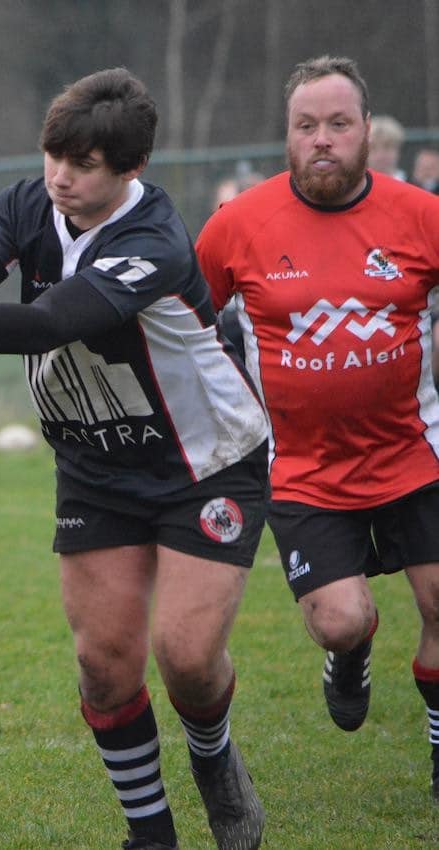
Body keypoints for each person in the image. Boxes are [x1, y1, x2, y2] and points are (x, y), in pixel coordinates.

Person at [0, 68, 270, 850]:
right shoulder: (26, 205)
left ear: (130, 171)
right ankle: (149, 835)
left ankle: (214, 757)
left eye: (83, 165)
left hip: (204, 462)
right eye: (54, 155)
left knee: (186, 658)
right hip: (95, 464)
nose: (61, 176)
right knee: (104, 665)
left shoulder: (152, 240)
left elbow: (50, 321)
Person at [197, 54, 439, 802]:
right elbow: (187, 328)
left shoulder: (423, 216)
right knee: (340, 620)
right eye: (307, 127)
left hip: (418, 453)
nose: (323, 140)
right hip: (303, 470)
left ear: (367, 131)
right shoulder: (236, 226)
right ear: (288, 136)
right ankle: (352, 650)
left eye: (339, 124)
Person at [367, 113, 407, 180]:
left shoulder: (415, 186)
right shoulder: (355, 188)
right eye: (373, 148)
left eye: (387, 147)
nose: (380, 156)